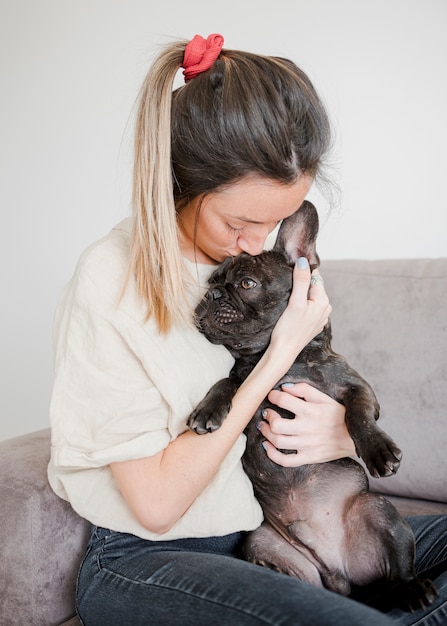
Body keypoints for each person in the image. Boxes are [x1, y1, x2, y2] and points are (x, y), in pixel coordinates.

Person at [48, 34, 447, 625]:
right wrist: (278, 352)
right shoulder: (112, 278)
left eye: (271, 225)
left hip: (264, 526)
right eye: (241, 221)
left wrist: (339, 433)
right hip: (153, 556)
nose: (254, 244)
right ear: (185, 180)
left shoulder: (257, 271)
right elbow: (157, 507)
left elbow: (321, 398)